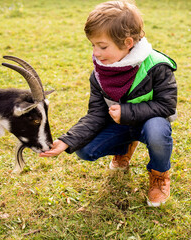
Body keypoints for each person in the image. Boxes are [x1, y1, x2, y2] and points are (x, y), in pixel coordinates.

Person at [40, 0, 177, 207]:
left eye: (102, 46)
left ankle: (159, 176)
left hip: (151, 123)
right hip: (121, 124)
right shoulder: (99, 73)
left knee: (157, 130)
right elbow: (96, 114)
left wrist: (127, 111)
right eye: (93, 45)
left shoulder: (157, 66)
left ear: (128, 43)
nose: (95, 52)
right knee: (84, 150)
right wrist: (67, 140)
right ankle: (124, 149)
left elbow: (167, 106)